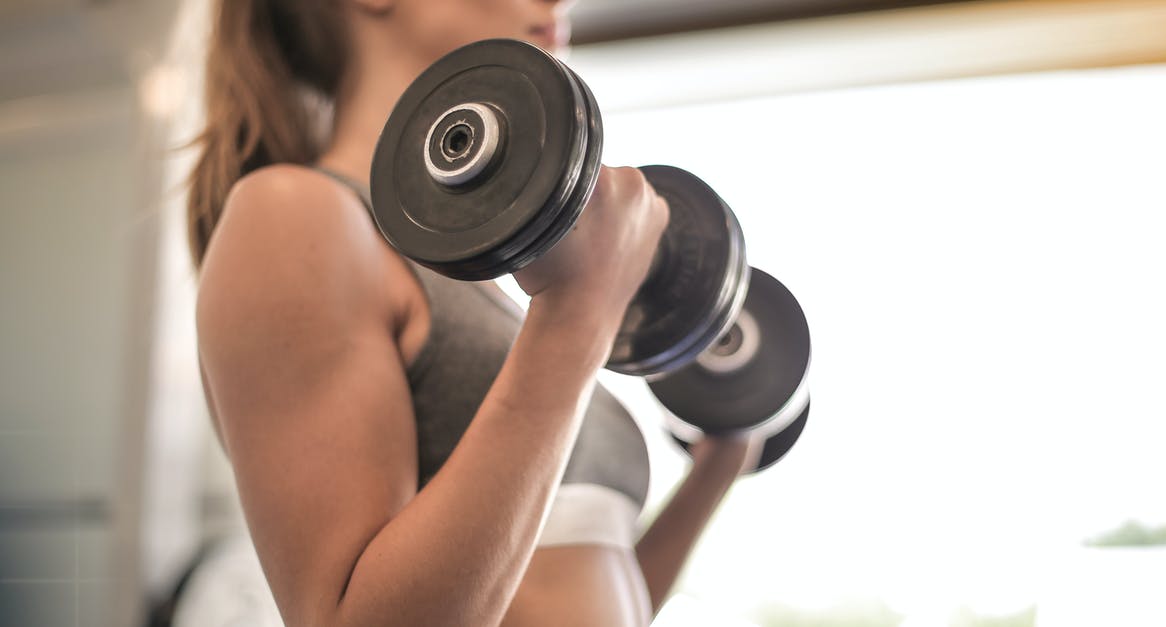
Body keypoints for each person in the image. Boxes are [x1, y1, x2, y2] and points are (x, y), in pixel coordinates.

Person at [188, 1, 756, 625]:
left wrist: (717, 468)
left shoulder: (493, 293)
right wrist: (579, 313)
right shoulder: (294, 215)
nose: (556, 2)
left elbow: (588, 585)